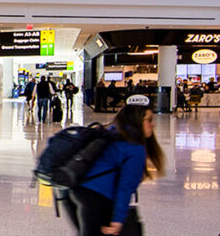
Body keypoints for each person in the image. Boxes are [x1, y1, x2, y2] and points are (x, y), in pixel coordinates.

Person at [66, 96, 163, 236]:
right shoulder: (134, 147)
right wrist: (118, 219)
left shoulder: (112, 132)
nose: (152, 125)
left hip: (77, 190)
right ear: (137, 121)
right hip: (96, 197)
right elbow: (125, 187)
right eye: (149, 120)